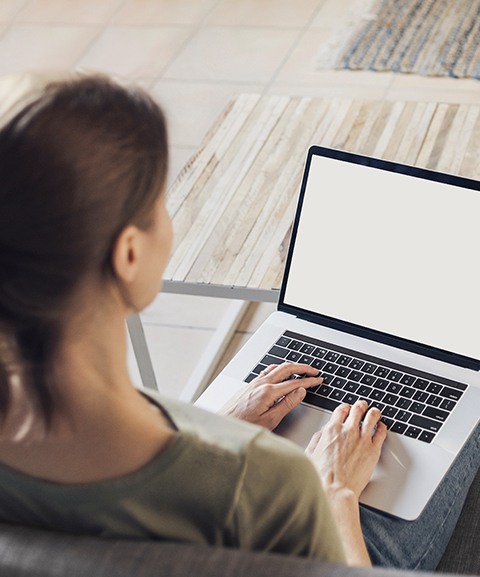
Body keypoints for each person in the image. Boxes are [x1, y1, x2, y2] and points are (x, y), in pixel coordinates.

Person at [0, 72, 477, 571]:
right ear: (129, 254)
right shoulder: (268, 481)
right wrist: (333, 489)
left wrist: (220, 426)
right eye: (158, 205)